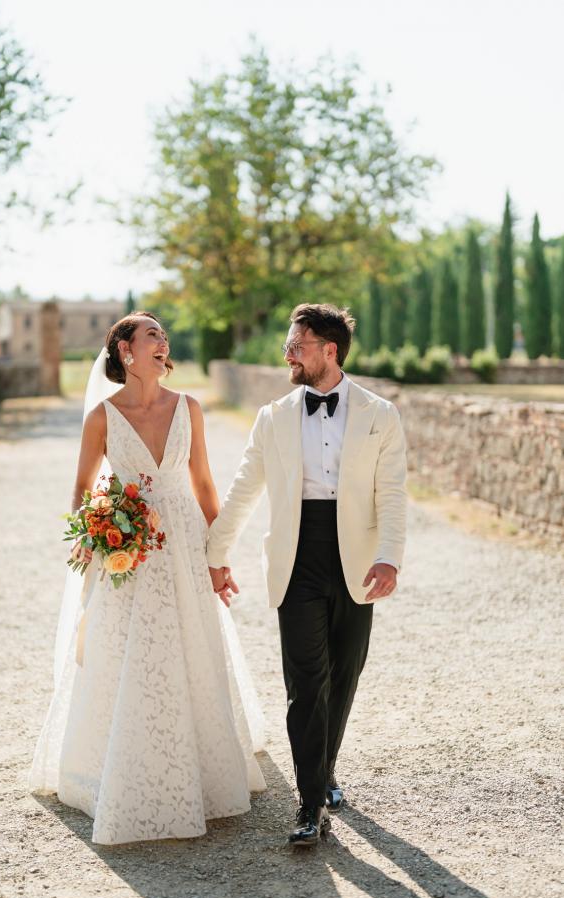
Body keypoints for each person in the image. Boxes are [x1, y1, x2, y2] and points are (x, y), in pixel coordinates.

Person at [29, 312, 265, 845]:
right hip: (129, 553)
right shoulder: (101, 418)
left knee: (190, 648)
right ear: (125, 352)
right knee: (130, 654)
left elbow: (204, 483)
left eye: (164, 335)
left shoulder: (190, 409)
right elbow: (82, 493)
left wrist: (219, 554)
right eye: (151, 335)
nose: (163, 342)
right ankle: (120, 765)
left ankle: (201, 770)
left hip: (182, 542)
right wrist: (99, 533)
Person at [207, 303, 407, 847]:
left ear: (329, 350)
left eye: (297, 344)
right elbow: (245, 488)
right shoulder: (272, 417)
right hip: (295, 559)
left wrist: (389, 556)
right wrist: (214, 553)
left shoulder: (379, 414)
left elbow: (391, 494)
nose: (287, 353)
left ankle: (326, 770)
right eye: (289, 344)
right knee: (305, 684)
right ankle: (309, 801)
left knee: (344, 675)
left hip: (357, 559)